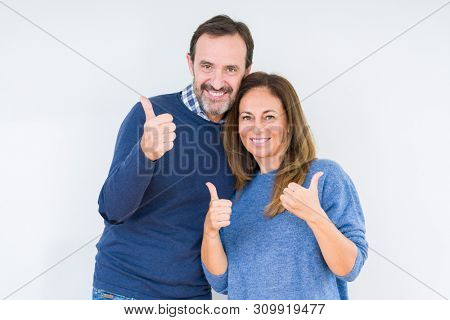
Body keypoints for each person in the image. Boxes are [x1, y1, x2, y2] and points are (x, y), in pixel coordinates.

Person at [92, 15, 253, 300]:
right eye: (207, 66)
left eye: (230, 69)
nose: (217, 81)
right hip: (123, 291)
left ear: (246, 72)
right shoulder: (151, 115)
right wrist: (146, 154)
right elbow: (112, 211)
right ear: (190, 63)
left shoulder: (246, 136)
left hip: (192, 298)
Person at [201, 72, 368, 299]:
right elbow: (222, 282)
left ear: (289, 124)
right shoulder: (237, 194)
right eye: (247, 117)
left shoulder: (324, 176)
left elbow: (350, 268)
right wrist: (210, 231)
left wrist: (316, 217)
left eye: (269, 117)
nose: (257, 127)